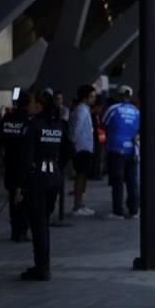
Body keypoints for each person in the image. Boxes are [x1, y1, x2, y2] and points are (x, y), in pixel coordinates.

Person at [18, 91, 65, 281]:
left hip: (37, 177)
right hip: (54, 175)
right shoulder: (58, 125)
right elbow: (68, 148)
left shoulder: (32, 125)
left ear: (39, 105)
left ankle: (42, 267)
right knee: (43, 222)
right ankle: (43, 265)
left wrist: (20, 185)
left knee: (38, 225)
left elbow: (26, 157)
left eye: (31, 102)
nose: (28, 106)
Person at [102, 86, 141, 220]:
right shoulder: (136, 111)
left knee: (117, 181)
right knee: (132, 182)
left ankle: (118, 212)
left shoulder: (113, 109)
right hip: (132, 150)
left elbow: (104, 123)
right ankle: (134, 210)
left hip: (115, 149)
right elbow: (139, 129)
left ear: (118, 95)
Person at [0, 93, 33, 242]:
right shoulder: (29, 121)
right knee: (25, 198)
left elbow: (0, 138)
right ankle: (22, 230)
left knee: (13, 195)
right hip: (24, 163)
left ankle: (15, 230)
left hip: (9, 161)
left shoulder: (6, 118)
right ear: (28, 105)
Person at [70, 85, 97, 216]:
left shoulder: (84, 109)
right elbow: (76, 129)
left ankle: (79, 203)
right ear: (85, 97)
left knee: (83, 176)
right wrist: (74, 143)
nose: (94, 99)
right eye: (92, 96)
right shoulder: (81, 110)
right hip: (82, 148)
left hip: (84, 147)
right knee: (80, 176)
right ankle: (77, 205)